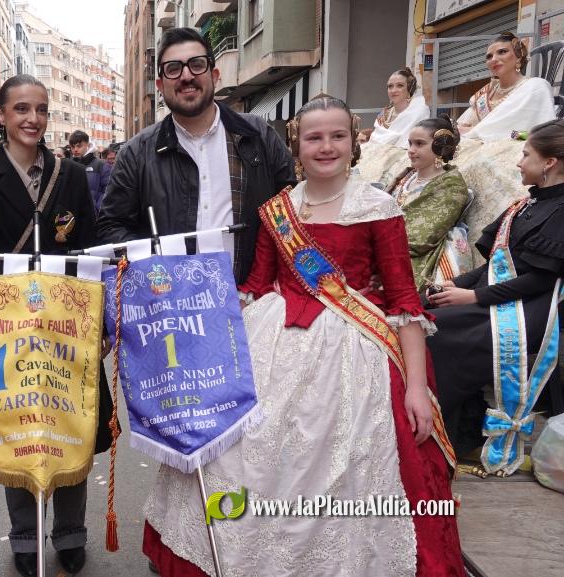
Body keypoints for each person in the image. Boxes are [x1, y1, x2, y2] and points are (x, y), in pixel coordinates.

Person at [144, 95, 464, 577]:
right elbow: (254, 286)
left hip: (355, 355)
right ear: (297, 145)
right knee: (245, 455)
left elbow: (403, 302)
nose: (326, 146)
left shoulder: (379, 207)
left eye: (338, 135)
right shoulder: (278, 210)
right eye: (314, 137)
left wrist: (416, 388)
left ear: (354, 142)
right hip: (275, 342)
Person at [0, 74, 105, 577]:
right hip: (10, 330)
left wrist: (101, 321)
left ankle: (71, 533)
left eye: (41, 109)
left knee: (70, 424)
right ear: (0, 115)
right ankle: (25, 538)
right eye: (21, 108)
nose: (33, 119)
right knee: (16, 427)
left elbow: (87, 251)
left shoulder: (70, 176)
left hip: (67, 328)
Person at [98, 27, 296, 284]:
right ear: (160, 85)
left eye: (197, 64)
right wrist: (161, 267)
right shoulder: (136, 154)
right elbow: (111, 227)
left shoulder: (259, 137)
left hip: (251, 303)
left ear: (214, 74)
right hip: (171, 308)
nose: (186, 76)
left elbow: (293, 211)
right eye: (173, 68)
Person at [427, 118, 564, 458]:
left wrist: (473, 296)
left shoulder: (560, 210)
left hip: (532, 310)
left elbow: (540, 279)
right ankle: (453, 427)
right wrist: (451, 285)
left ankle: (448, 435)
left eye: (525, 154)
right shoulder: (526, 204)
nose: (519, 162)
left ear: (549, 163)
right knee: (422, 308)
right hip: (501, 297)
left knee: (439, 331)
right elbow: (495, 267)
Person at [386, 116, 471, 291]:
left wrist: (377, 243)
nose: (411, 150)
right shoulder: (407, 176)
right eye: (410, 143)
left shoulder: (451, 186)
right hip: (384, 246)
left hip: (411, 257)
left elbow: (422, 238)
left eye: (419, 144)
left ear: (440, 146)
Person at [457, 32, 556, 141]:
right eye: (489, 56)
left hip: (520, 147)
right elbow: (462, 127)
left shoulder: (535, 87)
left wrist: (478, 132)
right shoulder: (486, 93)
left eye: (502, 52)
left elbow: (537, 135)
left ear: (518, 57)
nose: (493, 59)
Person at [369, 67, 430, 148]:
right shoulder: (384, 115)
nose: (393, 90)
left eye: (399, 85)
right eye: (390, 86)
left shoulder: (419, 111)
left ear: (409, 89)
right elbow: (373, 142)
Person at [68, 130, 112, 210]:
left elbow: (108, 191)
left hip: (95, 217)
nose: (75, 149)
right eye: (72, 147)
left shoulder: (101, 165)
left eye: (79, 146)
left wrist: (97, 210)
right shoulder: (69, 165)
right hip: (74, 217)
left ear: (87, 145)